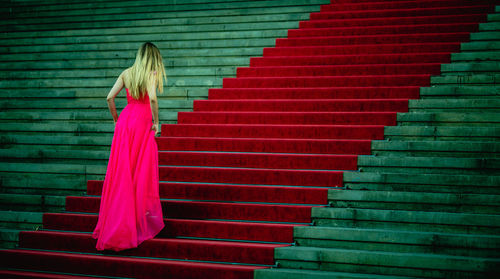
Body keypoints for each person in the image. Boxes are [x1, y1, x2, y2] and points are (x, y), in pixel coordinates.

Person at [92, 42, 168, 251]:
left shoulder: (127, 73)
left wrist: (116, 119)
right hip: (142, 121)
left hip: (125, 122)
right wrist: (157, 122)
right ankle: (133, 223)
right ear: (153, 58)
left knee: (122, 173)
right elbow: (152, 98)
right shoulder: (151, 73)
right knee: (140, 172)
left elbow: (110, 97)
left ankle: (118, 223)